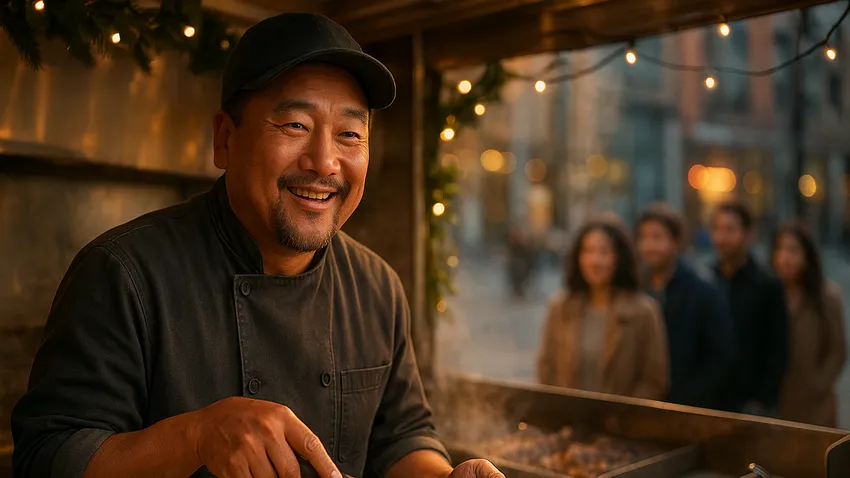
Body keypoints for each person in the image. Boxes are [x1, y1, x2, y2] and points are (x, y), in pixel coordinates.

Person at [11, 13, 502, 478]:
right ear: (225, 138)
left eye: (349, 134)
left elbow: (400, 438)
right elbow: (48, 457)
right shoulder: (123, 273)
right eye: (296, 126)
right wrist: (197, 436)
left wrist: (445, 474)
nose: (324, 162)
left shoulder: (376, 286)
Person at [537, 217, 669, 400]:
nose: (595, 261)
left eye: (604, 252)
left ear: (619, 258)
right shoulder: (560, 308)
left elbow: (654, 380)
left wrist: (624, 414)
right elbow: (546, 370)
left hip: (621, 424)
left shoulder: (643, 312)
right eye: (588, 251)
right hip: (567, 423)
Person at [635, 204, 735, 409]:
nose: (649, 245)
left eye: (657, 237)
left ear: (675, 242)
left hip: (689, 405)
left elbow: (719, 358)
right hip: (644, 403)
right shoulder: (636, 288)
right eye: (644, 238)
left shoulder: (702, 290)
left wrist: (688, 399)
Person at [709, 200, 788, 415]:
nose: (721, 238)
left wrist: (762, 399)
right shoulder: (707, 280)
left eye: (730, 230)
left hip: (753, 403)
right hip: (713, 399)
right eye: (716, 229)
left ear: (747, 234)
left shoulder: (766, 283)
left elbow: (777, 348)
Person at [772, 221, 846, 427]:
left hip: (816, 404)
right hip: (778, 402)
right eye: (780, 249)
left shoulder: (827, 296)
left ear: (807, 255)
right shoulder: (770, 293)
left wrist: (818, 385)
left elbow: (837, 351)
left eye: (793, 250)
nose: (785, 258)